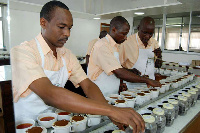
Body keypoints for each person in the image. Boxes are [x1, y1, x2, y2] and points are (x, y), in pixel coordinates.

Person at [11, 1, 145, 132]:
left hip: (54, 122)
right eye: (61, 27)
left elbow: (88, 85)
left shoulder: (67, 55)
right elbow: (50, 94)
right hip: (25, 125)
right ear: (43, 23)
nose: (67, 33)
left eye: (69, 28)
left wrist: (112, 113)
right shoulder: (22, 52)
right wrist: (111, 110)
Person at [87, 16, 161, 97]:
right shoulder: (102, 46)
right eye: (123, 34)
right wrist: (147, 80)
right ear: (114, 30)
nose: (126, 38)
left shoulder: (115, 46)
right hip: (99, 92)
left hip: (110, 93)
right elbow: (119, 72)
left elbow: (114, 67)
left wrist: (128, 72)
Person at [119, 16, 162, 89]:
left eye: (151, 33)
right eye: (145, 32)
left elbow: (158, 65)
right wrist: (129, 71)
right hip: (132, 86)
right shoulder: (126, 43)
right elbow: (117, 67)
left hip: (151, 84)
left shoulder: (154, 42)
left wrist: (159, 58)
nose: (147, 37)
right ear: (138, 28)